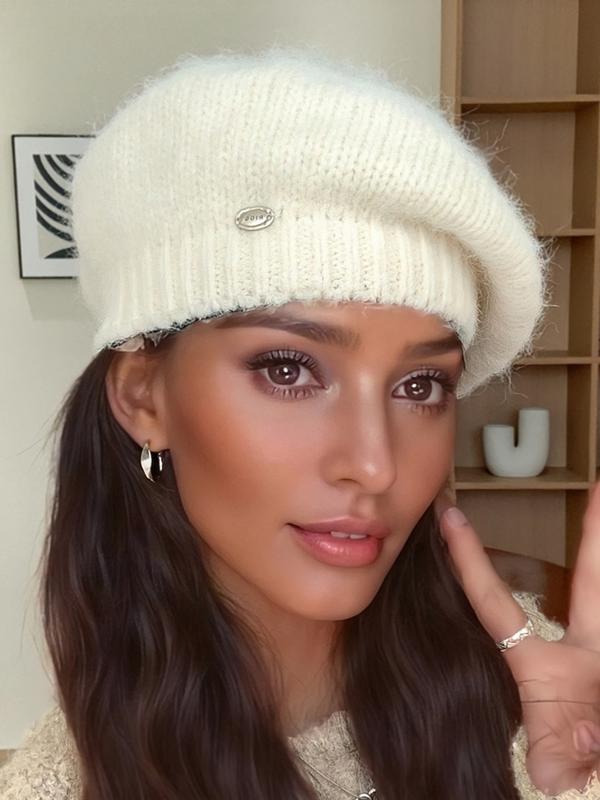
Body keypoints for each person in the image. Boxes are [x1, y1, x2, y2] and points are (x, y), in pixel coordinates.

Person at [1, 44, 599, 800]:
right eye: (287, 371)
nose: (374, 465)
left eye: (420, 385)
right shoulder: (64, 784)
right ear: (144, 399)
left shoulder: (548, 698)